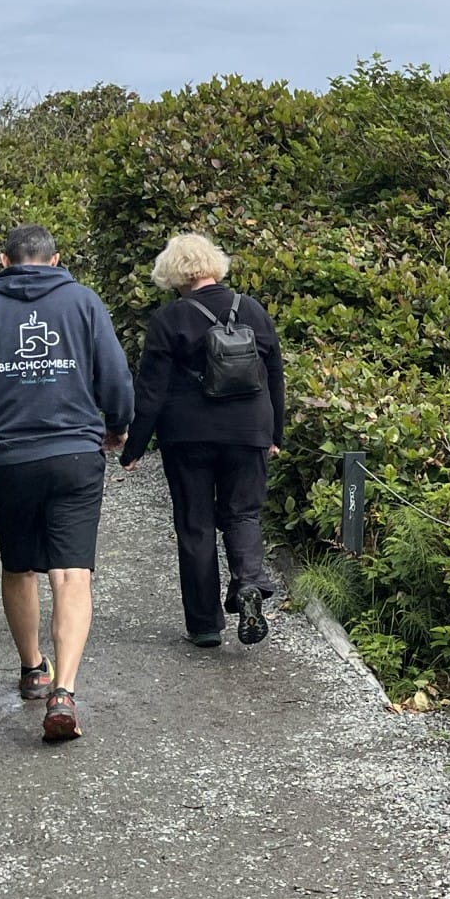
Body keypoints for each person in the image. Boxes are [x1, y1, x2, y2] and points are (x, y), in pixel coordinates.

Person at [0, 223, 135, 742]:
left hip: (7, 459)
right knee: (72, 574)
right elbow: (114, 374)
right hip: (73, 456)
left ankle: (32, 670)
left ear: (4, 261)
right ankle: (64, 690)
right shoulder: (84, 301)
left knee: (19, 566)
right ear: (57, 259)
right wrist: (118, 425)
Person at [119, 232, 286, 648]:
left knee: (195, 524)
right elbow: (275, 374)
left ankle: (205, 625)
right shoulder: (252, 310)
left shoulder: (169, 319)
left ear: (173, 274)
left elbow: (152, 390)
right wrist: (273, 435)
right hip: (250, 430)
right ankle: (248, 582)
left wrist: (134, 447)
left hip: (188, 435)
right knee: (243, 513)